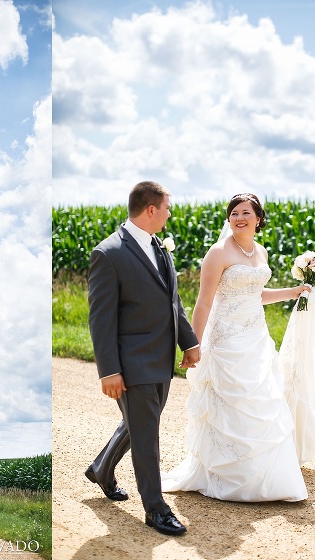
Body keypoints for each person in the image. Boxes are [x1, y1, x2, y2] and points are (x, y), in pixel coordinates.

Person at [161, 193, 308, 502]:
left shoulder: (261, 251)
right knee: (228, 406)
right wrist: (193, 344)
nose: (239, 217)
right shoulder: (218, 252)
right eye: (234, 213)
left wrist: (291, 292)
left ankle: (264, 479)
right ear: (228, 219)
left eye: (246, 212)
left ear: (258, 219)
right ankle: (223, 475)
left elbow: (256, 294)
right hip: (225, 341)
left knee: (261, 404)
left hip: (256, 340)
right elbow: (204, 301)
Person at [85, 181, 200, 536]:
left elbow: (172, 302)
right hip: (131, 364)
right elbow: (100, 319)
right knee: (147, 435)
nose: (169, 214)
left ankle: (101, 469)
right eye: (166, 207)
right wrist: (110, 371)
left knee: (140, 425)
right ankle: (156, 509)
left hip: (161, 360)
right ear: (151, 209)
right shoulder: (109, 253)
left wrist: (189, 342)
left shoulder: (160, 248)